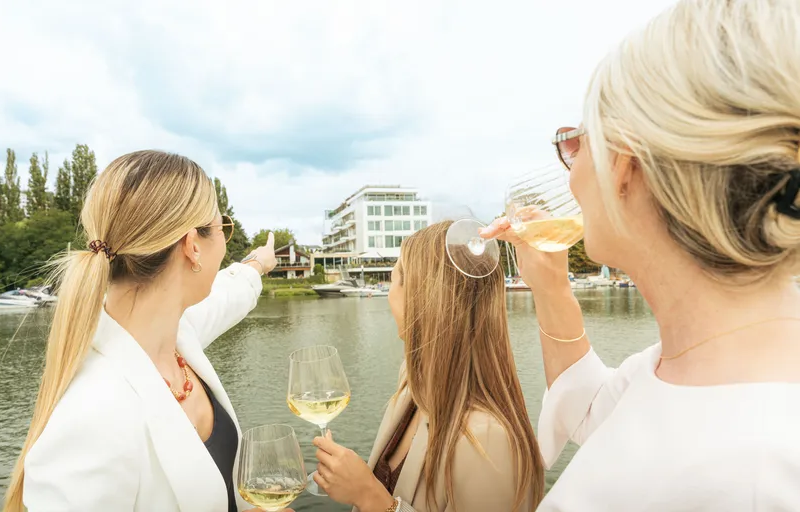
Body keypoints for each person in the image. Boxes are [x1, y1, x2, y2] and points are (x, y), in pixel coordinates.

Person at [481, 0, 800, 510]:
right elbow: (592, 411)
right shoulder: (695, 358)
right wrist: (550, 285)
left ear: (623, 163)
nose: (571, 176)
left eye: (576, 144)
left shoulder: (752, 478)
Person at [2, 150, 286, 512]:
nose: (225, 240)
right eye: (222, 228)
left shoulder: (176, 332)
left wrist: (257, 264)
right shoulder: (92, 418)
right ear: (192, 246)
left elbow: (229, 293)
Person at [313, 222, 544, 512]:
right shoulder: (414, 382)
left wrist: (370, 497)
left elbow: (371, 496)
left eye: (394, 279)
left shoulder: (489, 441)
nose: (389, 294)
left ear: (422, 299)